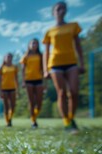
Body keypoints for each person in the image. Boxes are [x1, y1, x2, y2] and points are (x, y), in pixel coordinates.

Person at [43, 1, 84, 132]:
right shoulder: (50, 31)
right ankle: (66, 121)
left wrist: (82, 63)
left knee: (73, 92)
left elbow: (78, 45)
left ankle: (71, 117)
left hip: (71, 62)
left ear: (66, 11)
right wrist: (45, 69)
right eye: (58, 9)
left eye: (63, 8)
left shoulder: (73, 26)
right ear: (53, 12)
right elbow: (46, 52)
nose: (60, 10)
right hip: (55, 64)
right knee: (61, 93)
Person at [20, 39, 45, 129]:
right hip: (29, 80)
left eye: (36, 43)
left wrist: (44, 82)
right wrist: (23, 81)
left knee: (39, 102)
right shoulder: (25, 56)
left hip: (38, 80)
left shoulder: (40, 55)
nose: (34, 45)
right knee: (31, 102)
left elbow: (43, 69)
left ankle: (34, 115)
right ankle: (33, 121)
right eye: (32, 43)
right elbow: (23, 70)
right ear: (29, 45)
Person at [0, 53, 19, 127]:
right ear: (4, 58)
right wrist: (0, 91)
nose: (9, 58)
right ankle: (8, 121)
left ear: (12, 58)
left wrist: (17, 90)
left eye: (10, 57)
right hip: (4, 89)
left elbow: (16, 79)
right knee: (6, 106)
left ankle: (10, 118)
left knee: (12, 106)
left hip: (12, 88)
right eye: (7, 57)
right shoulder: (1, 68)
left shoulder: (14, 67)